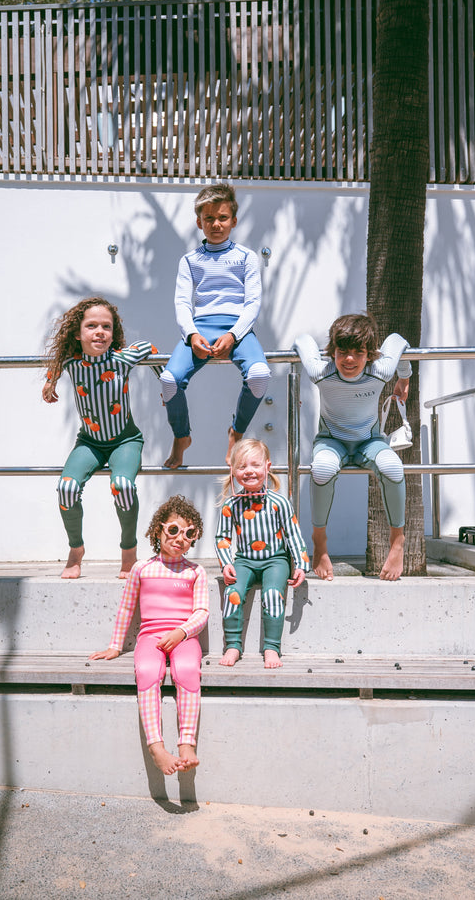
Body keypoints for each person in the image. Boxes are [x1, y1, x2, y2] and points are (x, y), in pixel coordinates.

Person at [43, 296, 161, 580]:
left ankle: (129, 551)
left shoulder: (121, 359)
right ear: (77, 332)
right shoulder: (72, 363)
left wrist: (167, 385)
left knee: (122, 485)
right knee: (67, 488)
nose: (99, 332)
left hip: (125, 441)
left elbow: (150, 348)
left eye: (106, 327)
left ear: (113, 332)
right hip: (90, 443)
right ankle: (76, 549)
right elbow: (58, 363)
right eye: (92, 326)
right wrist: (50, 380)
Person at [89, 496, 208, 776]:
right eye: (174, 530)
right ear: (159, 530)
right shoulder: (141, 568)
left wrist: (182, 632)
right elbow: (126, 609)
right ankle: (156, 747)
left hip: (184, 638)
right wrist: (116, 646)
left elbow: (202, 612)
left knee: (188, 669)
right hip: (151, 637)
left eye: (190, 533)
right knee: (146, 671)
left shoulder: (195, 572)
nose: (181, 538)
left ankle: (187, 743)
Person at [293, 313, 412, 582]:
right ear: (332, 352)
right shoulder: (320, 371)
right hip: (331, 440)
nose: (349, 359)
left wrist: (404, 377)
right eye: (342, 351)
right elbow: (301, 340)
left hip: (368, 442)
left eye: (358, 352)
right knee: (321, 469)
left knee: (393, 466)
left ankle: (397, 540)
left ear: (370, 354)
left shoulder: (381, 370)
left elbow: (397, 340)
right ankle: (319, 541)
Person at [160, 183, 271, 469]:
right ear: (199, 222)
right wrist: (192, 334)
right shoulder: (190, 260)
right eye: (209, 218)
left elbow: (253, 303)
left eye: (222, 217)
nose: (216, 224)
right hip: (200, 328)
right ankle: (181, 437)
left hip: (238, 329)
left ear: (234, 221)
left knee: (259, 374)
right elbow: (182, 303)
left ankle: (237, 431)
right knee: (169, 380)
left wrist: (234, 335)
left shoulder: (246, 257)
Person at [214, 439, 310, 668]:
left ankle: (271, 647)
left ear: (267, 467)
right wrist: (226, 563)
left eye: (255, 465)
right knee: (232, 594)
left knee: (272, 595)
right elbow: (222, 538)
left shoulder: (279, 502)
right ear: (233, 471)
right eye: (242, 467)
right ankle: (233, 645)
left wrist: (300, 565)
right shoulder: (231, 505)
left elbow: (293, 534)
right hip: (245, 560)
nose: (249, 471)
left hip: (275, 560)